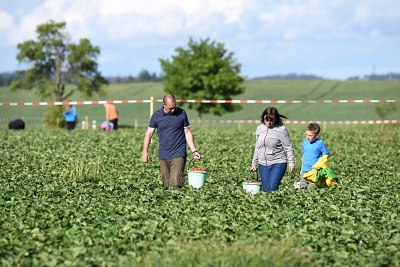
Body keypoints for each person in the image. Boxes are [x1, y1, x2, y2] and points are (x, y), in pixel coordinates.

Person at [141, 93, 201, 189]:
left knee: (175, 184)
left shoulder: (182, 113)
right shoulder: (156, 116)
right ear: (164, 105)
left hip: (179, 153)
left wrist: (194, 150)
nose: (173, 110)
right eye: (170, 108)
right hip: (163, 154)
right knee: (166, 184)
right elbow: (148, 134)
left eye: (174, 107)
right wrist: (145, 152)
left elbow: (187, 132)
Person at [251, 107, 295, 193]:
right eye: (266, 120)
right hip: (263, 164)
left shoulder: (281, 130)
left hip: (278, 162)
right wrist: (254, 163)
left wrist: (291, 163)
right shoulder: (259, 129)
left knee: (272, 187)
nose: (268, 123)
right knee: (266, 189)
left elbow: (288, 147)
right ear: (263, 117)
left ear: (276, 119)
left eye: (271, 120)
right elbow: (257, 147)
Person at [299, 122, 329, 189]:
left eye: (310, 135)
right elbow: (304, 155)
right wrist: (301, 169)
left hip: (314, 171)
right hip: (304, 170)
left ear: (316, 135)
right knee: (302, 188)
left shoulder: (320, 143)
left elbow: (326, 154)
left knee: (311, 189)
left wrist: (322, 165)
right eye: (306, 134)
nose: (307, 137)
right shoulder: (305, 141)